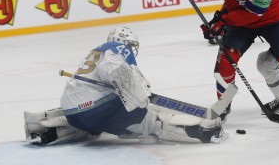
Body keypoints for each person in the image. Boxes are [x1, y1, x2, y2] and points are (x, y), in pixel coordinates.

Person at [23, 27, 227, 145]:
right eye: (131, 45)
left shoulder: (95, 52)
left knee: (98, 126)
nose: (132, 50)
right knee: (147, 114)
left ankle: (49, 130)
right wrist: (138, 93)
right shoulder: (116, 47)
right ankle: (201, 131)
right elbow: (111, 67)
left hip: (74, 112)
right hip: (96, 108)